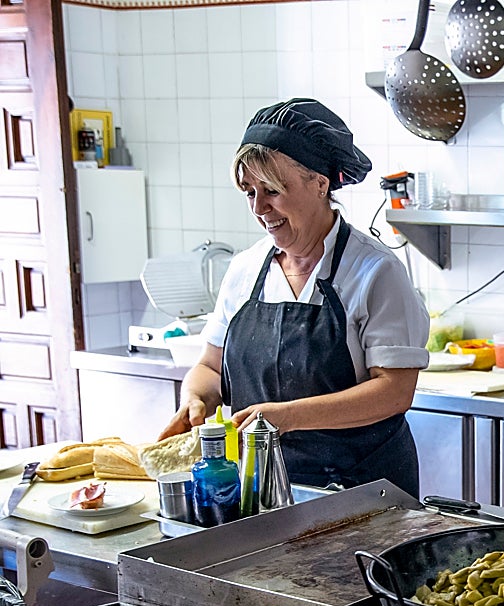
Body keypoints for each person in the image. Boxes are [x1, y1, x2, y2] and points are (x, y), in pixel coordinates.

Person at [159, 98, 430, 496]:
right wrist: (195, 399)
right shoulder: (245, 270)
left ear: (320, 184)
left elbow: (393, 391)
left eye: (272, 190)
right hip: (259, 487)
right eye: (249, 192)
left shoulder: (375, 272)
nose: (258, 207)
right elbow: (211, 367)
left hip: (362, 490)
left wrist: (285, 417)